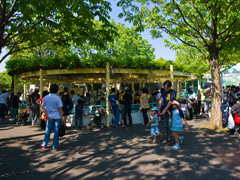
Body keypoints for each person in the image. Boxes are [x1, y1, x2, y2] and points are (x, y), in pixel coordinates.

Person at [40, 84, 64, 149]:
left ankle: (44, 144)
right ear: (57, 90)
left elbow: (42, 106)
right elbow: (59, 109)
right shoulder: (57, 98)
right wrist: (62, 116)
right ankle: (55, 145)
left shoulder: (46, 97)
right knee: (56, 131)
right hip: (57, 116)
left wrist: (46, 113)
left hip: (49, 116)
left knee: (48, 131)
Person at [160, 80, 176, 145]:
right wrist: (161, 105)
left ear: (170, 87)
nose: (165, 89)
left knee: (170, 125)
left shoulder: (173, 92)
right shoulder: (164, 92)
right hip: (165, 110)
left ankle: (170, 138)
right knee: (165, 125)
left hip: (170, 111)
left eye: (166, 87)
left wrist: (166, 109)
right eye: (164, 87)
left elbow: (170, 102)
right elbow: (163, 99)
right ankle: (167, 137)